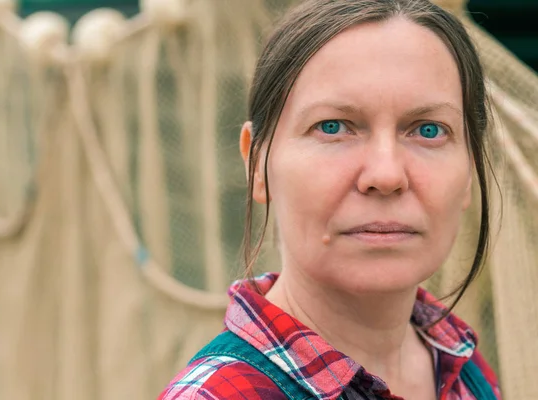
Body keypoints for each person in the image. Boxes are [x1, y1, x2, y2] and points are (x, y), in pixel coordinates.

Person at [159, 0, 501, 398]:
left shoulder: (460, 362)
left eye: (428, 130)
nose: (386, 175)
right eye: (333, 126)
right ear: (257, 163)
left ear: (470, 171)